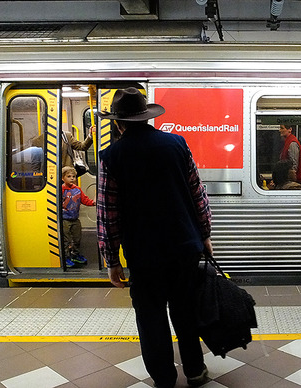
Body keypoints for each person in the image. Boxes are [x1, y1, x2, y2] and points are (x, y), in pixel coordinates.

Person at [96, 87, 211, 388]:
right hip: (184, 248)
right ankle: (196, 372)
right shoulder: (177, 144)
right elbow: (198, 194)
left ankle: (164, 379)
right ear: (147, 117)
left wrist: (112, 260)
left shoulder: (111, 156)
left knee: (151, 320)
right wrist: (206, 235)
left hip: (144, 256)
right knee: (186, 312)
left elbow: (108, 214)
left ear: (118, 123)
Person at [61, 166, 95, 268]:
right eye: (69, 176)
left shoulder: (78, 190)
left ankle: (75, 255)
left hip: (75, 219)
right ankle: (66, 257)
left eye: (74, 176)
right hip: (65, 219)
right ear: (63, 178)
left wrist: (93, 202)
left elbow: (84, 200)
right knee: (66, 240)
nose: (72, 178)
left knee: (77, 239)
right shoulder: (61, 190)